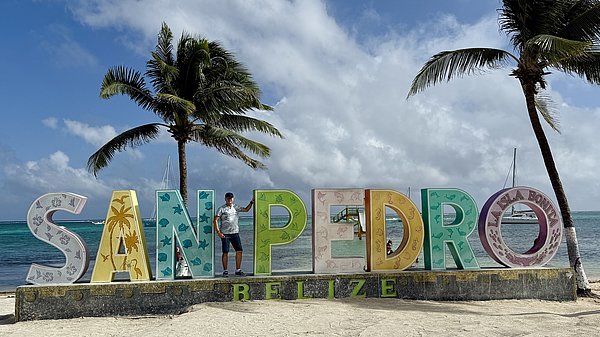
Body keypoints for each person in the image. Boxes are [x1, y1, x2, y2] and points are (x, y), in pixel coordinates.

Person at [213, 192, 254, 277]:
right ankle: (225, 271)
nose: (230, 199)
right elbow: (215, 220)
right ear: (225, 199)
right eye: (228, 198)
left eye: (231, 198)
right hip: (225, 234)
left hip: (235, 233)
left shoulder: (236, 207)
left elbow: (246, 210)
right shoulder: (221, 209)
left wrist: (251, 202)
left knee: (239, 251)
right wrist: (218, 232)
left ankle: (238, 270)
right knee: (225, 252)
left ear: (233, 199)